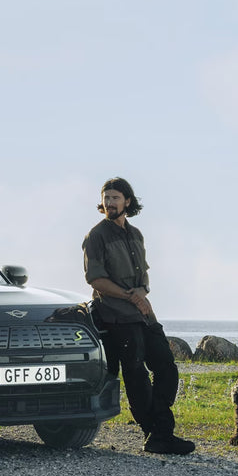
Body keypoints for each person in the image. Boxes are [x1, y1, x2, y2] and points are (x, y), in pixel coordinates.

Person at [82, 177, 195, 455]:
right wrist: (132, 296)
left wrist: (142, 294)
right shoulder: (96, 236)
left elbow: (143, 277)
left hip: (144, 314)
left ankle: (159, 428)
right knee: (136, 375)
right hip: (116, 315)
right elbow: (96, 280)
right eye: (106, 198)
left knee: (166, 366)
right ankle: (157, 434)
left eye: (115, 198)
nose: (110, 203)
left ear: (127, 201)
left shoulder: (136, 235)